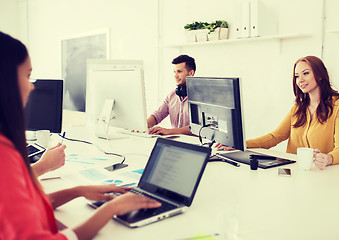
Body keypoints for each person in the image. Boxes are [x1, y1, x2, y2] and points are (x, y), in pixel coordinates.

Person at [0, 31, 161, 240]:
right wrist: (110, 209)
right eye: (27, 75)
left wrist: (78, 190)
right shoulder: (5, 156)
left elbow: (22, 210)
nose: (31, 86)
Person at [245, 56, 339, 170]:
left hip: (324, 173)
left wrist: (328, 158)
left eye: (305, 73)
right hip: (296, 172)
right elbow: (275, 137)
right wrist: (243, 144)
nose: (300, 80)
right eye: (297, 76)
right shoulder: (298, 108)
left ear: (320, 75)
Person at [147, 55, 196, 135]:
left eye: (179, 71)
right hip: (176, 142)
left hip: (195, 144)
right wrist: (143, 126)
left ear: (190, 73)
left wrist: (169, 131)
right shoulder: (171, 96)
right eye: (174, 72)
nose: (175, 76)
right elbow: (158, 115)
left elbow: (199, 127)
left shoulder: (201, 97)